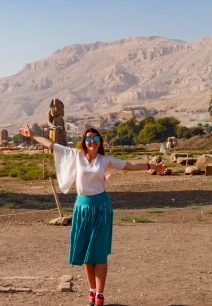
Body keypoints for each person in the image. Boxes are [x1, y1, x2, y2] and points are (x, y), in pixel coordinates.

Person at [18, 124, 166, 306]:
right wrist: (33, 134)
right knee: (88, 254)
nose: (92, 142)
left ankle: (100, 294)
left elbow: (130, 165)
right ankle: (92, 290)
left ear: (100, 142)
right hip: (81, 208)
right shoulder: (76, 156)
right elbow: (51, 145)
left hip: (101, 208)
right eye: (89, 139)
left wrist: (152, 166)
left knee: (99, 253)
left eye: (96, 139)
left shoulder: (105, 161)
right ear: (84, 141)